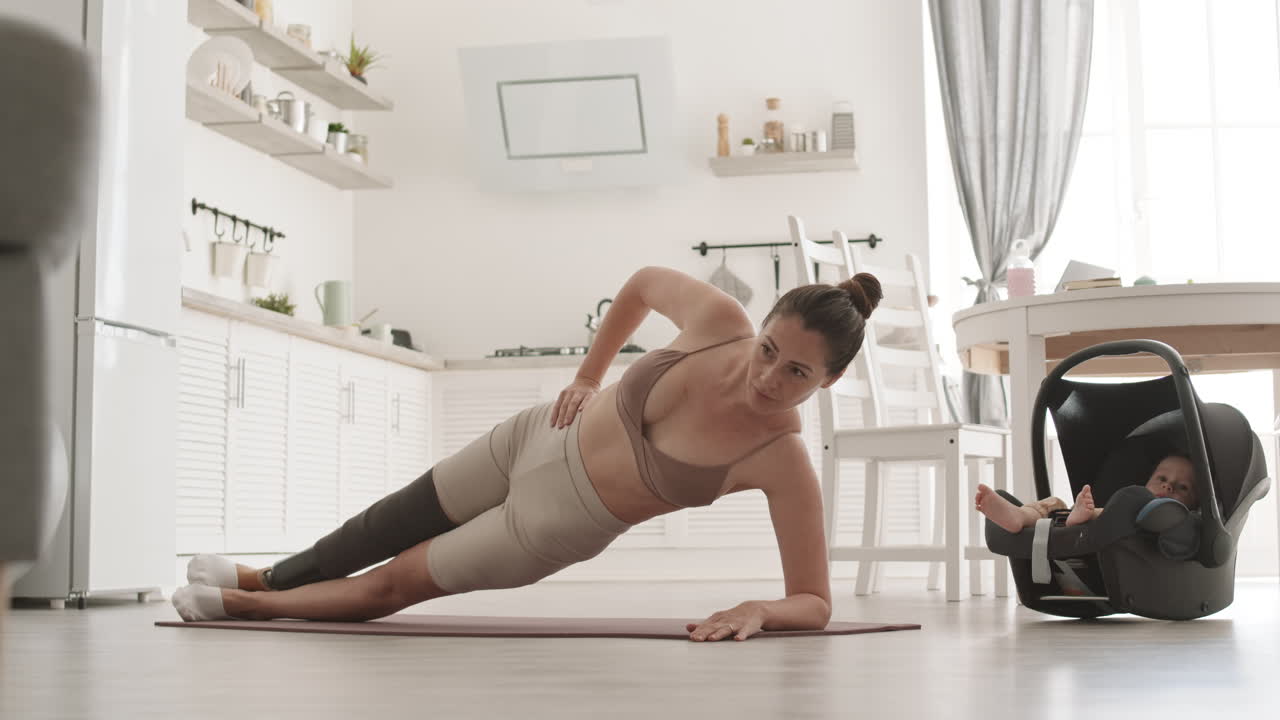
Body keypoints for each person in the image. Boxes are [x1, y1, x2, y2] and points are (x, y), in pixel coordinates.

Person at [172, 266, 883, 642]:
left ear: (830, 381)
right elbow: (641, 284)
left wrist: (760, 608)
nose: (768, 377)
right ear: (761, 326)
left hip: (547, 526)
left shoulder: (781, 458)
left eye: (797, 373)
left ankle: (244, 607)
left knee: (392, 583)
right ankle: (265, 576)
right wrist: (587, 377)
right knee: (383, 522)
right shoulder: (718, 321)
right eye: (769, 350)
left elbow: (815, 602)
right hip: (533, 436)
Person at [974, 453, 1198, 533]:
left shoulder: (1185, 521)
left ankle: (1081, 517)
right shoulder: (1137, 498)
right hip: (1080, 522)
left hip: (1111, 527)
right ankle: (1020, 516)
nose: (1168, 487)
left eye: (1182, 487)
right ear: (1147, 481)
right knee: (1055, 503)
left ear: (1194, 501)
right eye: (1162, 479)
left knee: (1124, 509)